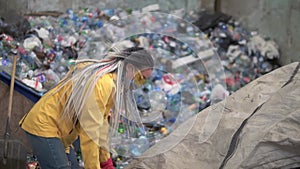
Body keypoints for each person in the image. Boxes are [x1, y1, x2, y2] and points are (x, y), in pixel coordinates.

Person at [19, 47, 154, 169]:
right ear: (130, 68)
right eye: (140, 78)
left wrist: (105, 161)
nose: (137, 83)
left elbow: (101, 126)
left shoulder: (113, 84)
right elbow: (90, 132)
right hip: (45, 125)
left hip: (62, 133)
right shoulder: (102, 83)